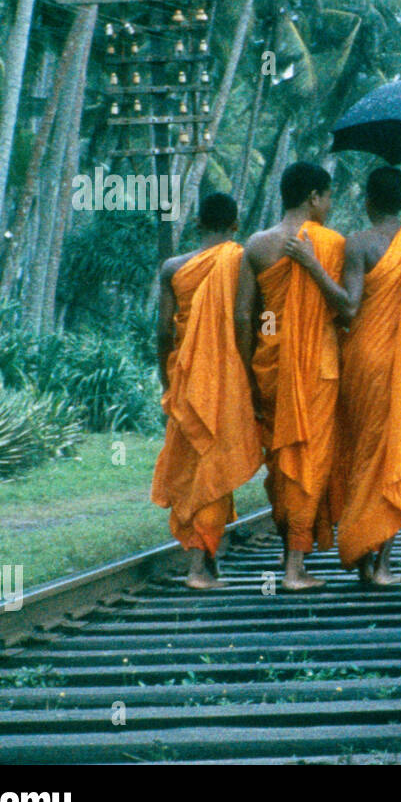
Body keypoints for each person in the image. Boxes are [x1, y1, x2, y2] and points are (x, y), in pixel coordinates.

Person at [288, 167, 401, 585]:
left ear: (367, 201)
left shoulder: (359, 244)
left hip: (365, 360)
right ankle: (380, 563)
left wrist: (312, 265)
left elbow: (347, 308)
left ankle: (365, 557)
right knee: (397, 455)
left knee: (366, 456)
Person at [236, 162, 344, 591]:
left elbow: (247, 314)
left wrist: (248, 366)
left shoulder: (257, 245)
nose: (330, 205)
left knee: (283, 462)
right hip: (319, 366)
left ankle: (289, 556)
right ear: (314, 197)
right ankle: (294, 569)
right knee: (308, 461)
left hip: (272, 362)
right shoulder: (332, 243)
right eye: (329, 197)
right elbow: (347, 310)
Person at [151, 193, 263, 589]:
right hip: (225, 378)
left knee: (192, 468)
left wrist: (168, 381)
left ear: (199, 222)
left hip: (185, 375)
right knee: (214, 467)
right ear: (235, 225)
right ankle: (198, 569)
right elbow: (247, 319)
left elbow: (164, 332)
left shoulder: (172, 267)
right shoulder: (240, 259)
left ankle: (206, 562)